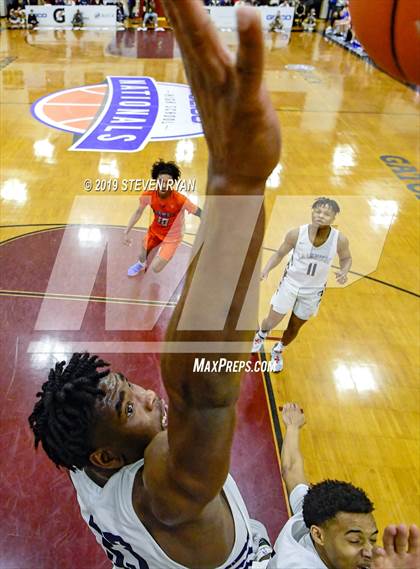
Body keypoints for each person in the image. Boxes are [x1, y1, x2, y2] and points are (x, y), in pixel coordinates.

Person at [28, 1, 281, 568]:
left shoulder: (81, 463)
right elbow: (201, 392)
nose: (147, 394)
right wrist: (238, 184)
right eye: (128, 407)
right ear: (109, 456)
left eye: (124, 386)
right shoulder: (167, 498)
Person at [268, 403, 420, 569]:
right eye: (355, 540)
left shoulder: (310, 515)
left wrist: (292, 426)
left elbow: (291, 469)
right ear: (318, 535)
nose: (369, 552)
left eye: (372, 540)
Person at [252, 197, 352, 372]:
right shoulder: (296, 234)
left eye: (327, 214)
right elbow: (279, 254)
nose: (321, 216)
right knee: (272, 319)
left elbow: (346, 258)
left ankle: (278, 349)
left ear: (334, 218)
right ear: (312, 211)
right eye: (318, 211)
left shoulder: (340, 239)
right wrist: (266, 269)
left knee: (294, 327)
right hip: (290, 284)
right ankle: (261, 335)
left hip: (313, 291)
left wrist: (345, 271)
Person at [123, 160, 202, 276]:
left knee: (156, 268)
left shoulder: (180, 200)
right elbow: (138, 212)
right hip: (155, 231)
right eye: (161, 182)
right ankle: (140, 264)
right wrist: (126, 231)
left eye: (168, 182)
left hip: (173, 237)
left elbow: (200, 213)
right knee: (142, 254)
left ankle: (167, 251)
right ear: (156, 181)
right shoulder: (148, 195)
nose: (164, 185)